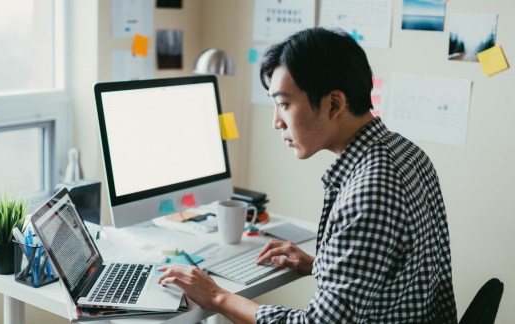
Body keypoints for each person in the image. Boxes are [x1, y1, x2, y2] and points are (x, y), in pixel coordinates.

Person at [158, 27, 457, 323]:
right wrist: (320, 265)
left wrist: (217, 296)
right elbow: (396, 274)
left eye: (284, 104)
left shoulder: (370, 189)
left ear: (334, 104)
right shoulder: (406, 152)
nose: (277, 122)